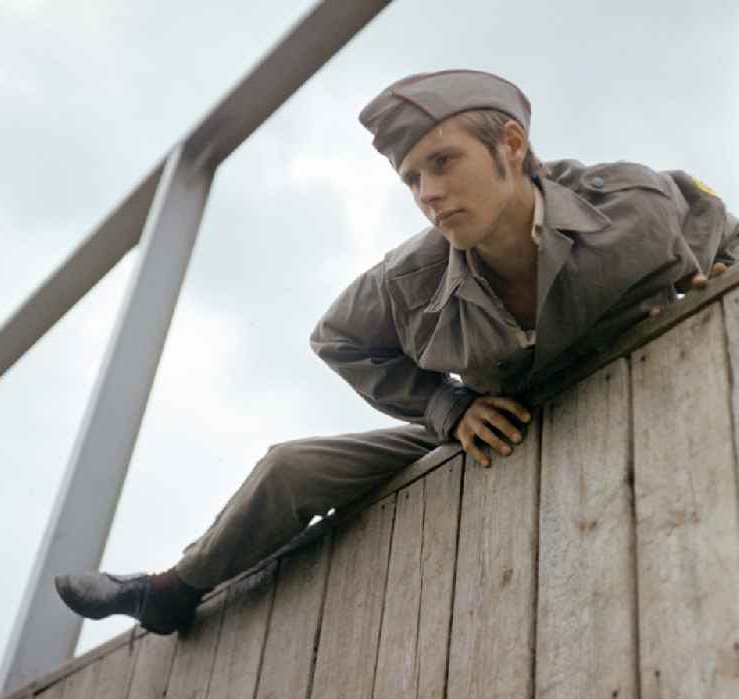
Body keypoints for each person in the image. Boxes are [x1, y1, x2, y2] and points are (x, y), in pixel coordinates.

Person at [55, 69, 739, 634]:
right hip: (500, 417)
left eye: (443, 163)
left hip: (626, 381)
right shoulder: (411, 280)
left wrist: (716, 289)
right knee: (289, 466)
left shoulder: (630, 204)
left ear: (510, 144)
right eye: (413, 179)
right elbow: (336, 339)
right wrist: (446, 404)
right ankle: (167, 590)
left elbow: (716, 229)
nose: (430, 195)